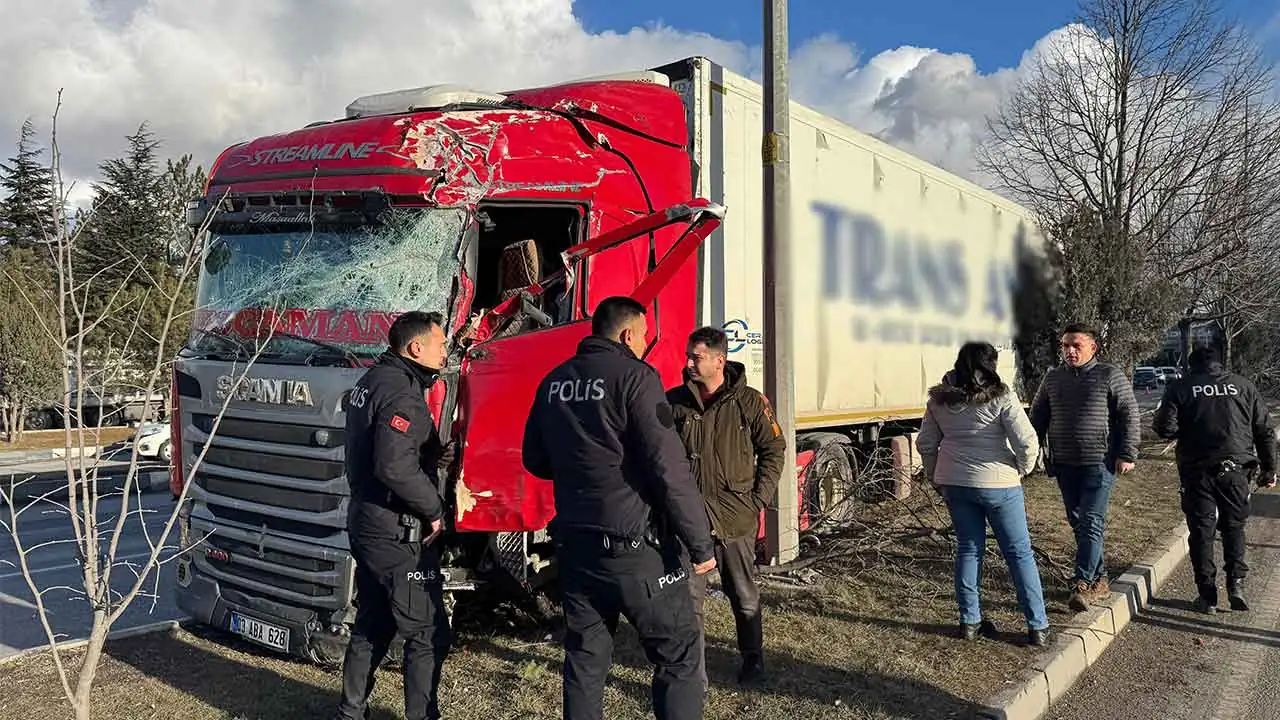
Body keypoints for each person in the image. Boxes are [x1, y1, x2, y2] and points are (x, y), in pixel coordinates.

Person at [521, 296, 717, 720]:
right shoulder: (636, 378)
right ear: (628, 334)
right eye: (645, 335)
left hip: (575, 545)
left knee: (586, 661)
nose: (646, 342)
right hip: (635, 548)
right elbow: (669, 468)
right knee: (678, 659)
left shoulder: (554, 380)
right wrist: (700, 544)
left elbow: (534, 459)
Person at [335, 311, 455, 720]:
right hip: (395, 532)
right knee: (426, 633)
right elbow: (393, 466)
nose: (445, 352)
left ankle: (351, 712)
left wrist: (432, 452)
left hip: (366, 522)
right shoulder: (403, 392)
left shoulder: (370, 381)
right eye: (441, 344)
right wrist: (435, 510)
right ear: (415, 347)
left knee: (375, 621)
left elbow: (387, 452)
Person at [665, 326, 786, 691]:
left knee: (743, 593)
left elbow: (774, 451)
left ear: (719, 360)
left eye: (696, 357)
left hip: (735, 517)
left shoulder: (750, 402)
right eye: (688, 355)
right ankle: (693, 673)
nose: (688, 363)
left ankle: (753, 659)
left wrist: (757, 499)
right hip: (689, 521)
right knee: (689, 600)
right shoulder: (674, 402)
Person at [917, 342, 1050, 646]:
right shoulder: (1001, 395)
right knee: (1018, 553)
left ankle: (969, 622)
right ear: (990, 364)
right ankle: (1037, 626)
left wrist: (937, 476)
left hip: (956, 483)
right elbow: (1027, 442)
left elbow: (926, 443)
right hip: (999, 484)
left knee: (968, 548)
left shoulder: (939, 400)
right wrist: (1022, 469)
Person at [1152, 347, 1277, 613]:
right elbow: (1264, 429)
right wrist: (1269, 468)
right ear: (1220, 364)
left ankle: (1207, 594)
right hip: (1236, 469)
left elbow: (1165, 428)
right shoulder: (1243, 386)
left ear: (1190, 365)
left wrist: (1188, 425)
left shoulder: (1181, 387)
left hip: (1197, 470)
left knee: (1201, 531)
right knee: (1234, 527)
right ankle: (1236, 584)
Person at [1030, 323, 1140, 612]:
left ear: (1093, 347)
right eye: (1065, 345)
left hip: (1099, 462)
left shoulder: (1109, 375)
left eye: (1076, 345)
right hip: (1065, 463)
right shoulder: (1053, 378)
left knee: (1091, 521)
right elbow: (1038, 417)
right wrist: (1029, 452)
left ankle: (1081, 583)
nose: (1069, 351)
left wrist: (1127, 452)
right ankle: (1101, 579)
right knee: (1079, 523)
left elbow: (1129, 414)